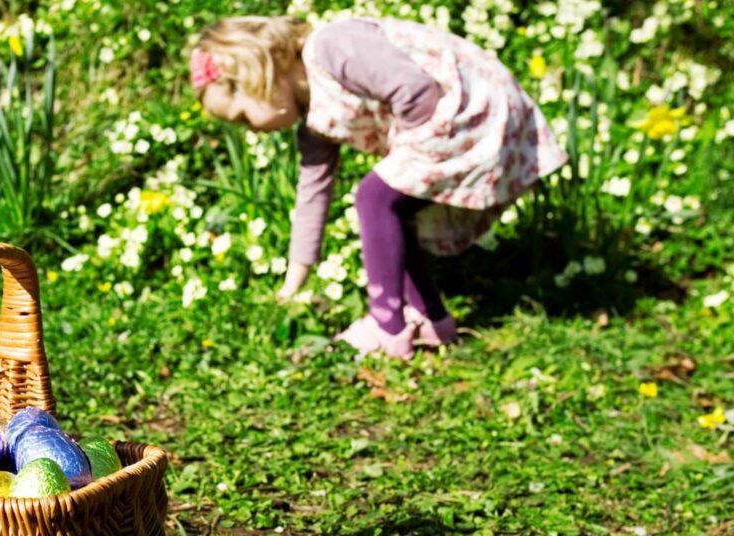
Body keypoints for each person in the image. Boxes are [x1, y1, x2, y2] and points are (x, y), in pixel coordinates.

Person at [189, 15, 567, 359]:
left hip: (473, 108)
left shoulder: (331, 48)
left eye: (242, 116)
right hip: (445, 118)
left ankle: (389, 328)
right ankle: (434, 322)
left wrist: (403, 152)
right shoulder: (315, 124)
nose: (250, 129)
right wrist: (292, 286)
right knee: (394, 214)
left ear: (257, 72)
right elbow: (312, 198)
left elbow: (417, 90)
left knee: (375, 198)